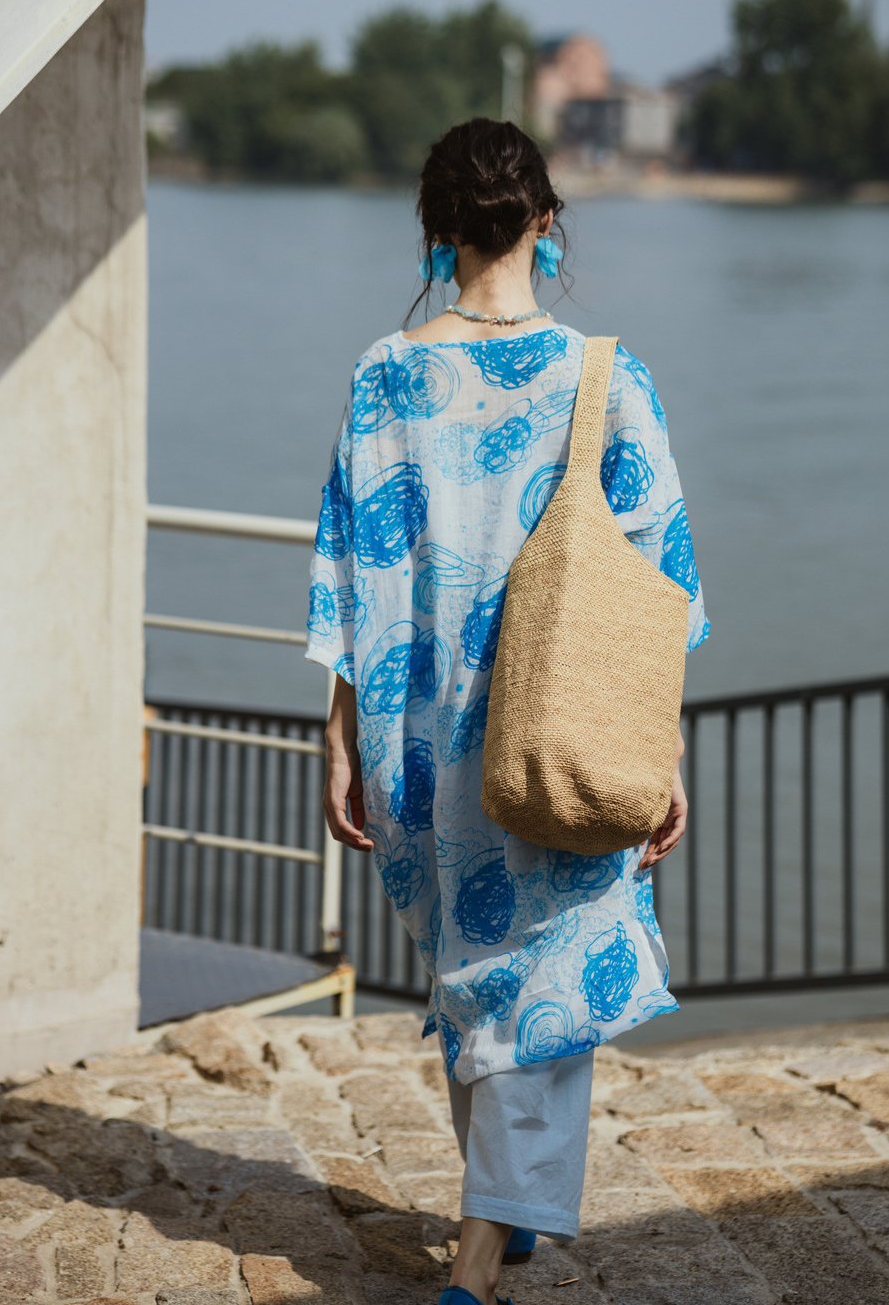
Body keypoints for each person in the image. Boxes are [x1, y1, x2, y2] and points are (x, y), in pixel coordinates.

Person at [305, 117, 709, 1305]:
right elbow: (662, 582)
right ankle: (486, 1252)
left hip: (421, 738)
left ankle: (489, 1234)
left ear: (436, 228)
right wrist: (663, 744)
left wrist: (341, 735)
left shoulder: (383, 374)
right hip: (560, 726)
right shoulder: (607, 378)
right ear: (547, 220)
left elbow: (351, 575)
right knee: (542, 978)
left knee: (471, 965)